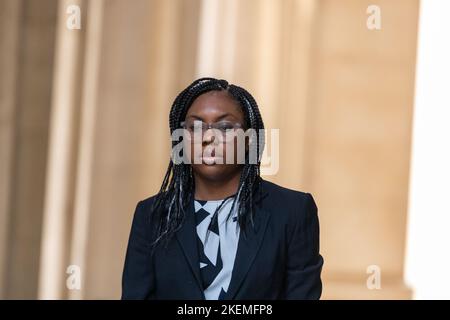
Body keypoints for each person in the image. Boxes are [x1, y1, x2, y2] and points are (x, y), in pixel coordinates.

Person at [121, 77, 323, 299]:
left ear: (249, 139)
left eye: (225, 127)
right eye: (195, 127)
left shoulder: (291, 211)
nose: (208, 138)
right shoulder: (152, 214)